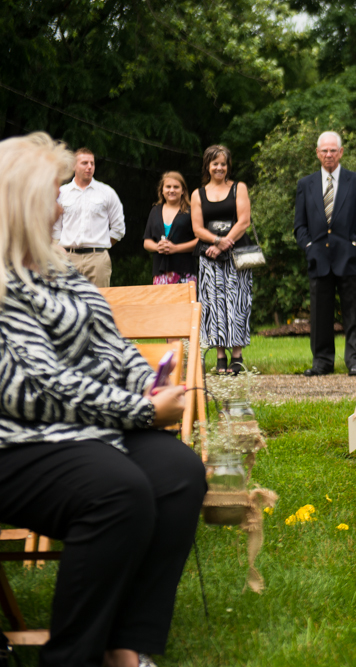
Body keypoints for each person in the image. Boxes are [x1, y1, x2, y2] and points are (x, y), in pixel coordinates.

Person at [0, 132, 204, 667]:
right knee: (119, 492)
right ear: (21, 202)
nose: (62, 203)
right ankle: (72, 657)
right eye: (51, 193)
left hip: (88, 429)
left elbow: (112, 344)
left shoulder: (59, 268)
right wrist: (142, 411)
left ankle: (127, 648)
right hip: (20, 442)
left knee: (179, 473)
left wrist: (147, 383)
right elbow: (35, 385)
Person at [294, 131, 356, 377]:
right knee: (320, 314)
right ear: (317, 153)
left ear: (340, 152)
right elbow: (300, 225)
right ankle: (322, 361)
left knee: (355, 312)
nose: (328, 154)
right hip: (318, 258)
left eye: (333, 150)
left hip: (349, 258)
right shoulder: (305, 184)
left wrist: (354, 246)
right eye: (324, 150)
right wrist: (308, 247)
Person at [191, 145, 253, 375]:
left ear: (228, 166)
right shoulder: (198, 194)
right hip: (209, 256)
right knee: (213, 304)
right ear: (208, 166)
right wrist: (217, 241)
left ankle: (237, 355)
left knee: (237, 302)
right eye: (215, 163)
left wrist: (226, 242)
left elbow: (244, 221)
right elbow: (197, 228)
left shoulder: (239, 188)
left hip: (237, 254)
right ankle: (220, 356)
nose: (219, 167)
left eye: (223, 163)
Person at [52, 147, 125, 288]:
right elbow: (55, 228)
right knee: (69, 303)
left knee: (100, 303)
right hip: (68, 257)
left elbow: (118, 228)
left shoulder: (107, 192)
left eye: (92, 163)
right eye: (84, 163)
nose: (89, 167)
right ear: (74, 165)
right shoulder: (62, 193)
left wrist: (100, 245)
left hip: (97, 259)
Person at [142, 171, 198, 285]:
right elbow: (147, 241)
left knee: (185, 303)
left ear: (183, 191)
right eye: (168, 187)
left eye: (176, 187)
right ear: (162, 190)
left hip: (185, 271)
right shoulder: (155, 211)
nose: (171, 190)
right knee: (162, 303)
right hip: (160, 272)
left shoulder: (191, 211)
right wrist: (157, 247)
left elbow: (200, 241)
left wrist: (176, 248)